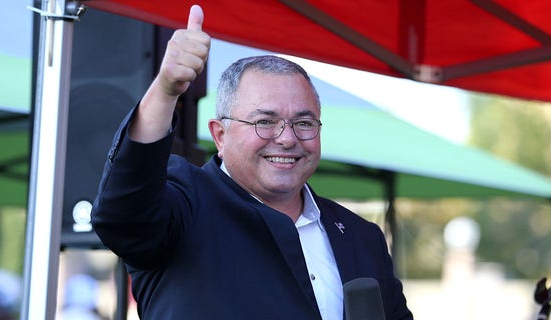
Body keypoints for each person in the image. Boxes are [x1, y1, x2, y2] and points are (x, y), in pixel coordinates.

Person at [92, 4, 413, 320]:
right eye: (265, 122)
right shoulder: (184, 204)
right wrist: (165, 90)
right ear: (220, 136)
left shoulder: (360, 236)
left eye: (304, 123)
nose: (287, 138)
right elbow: (121, 215)